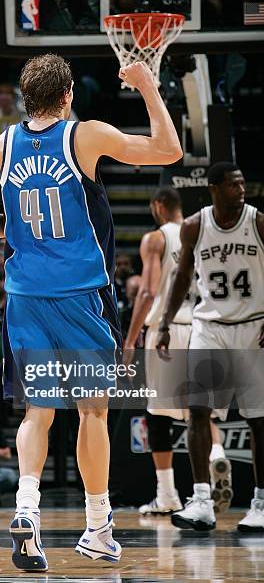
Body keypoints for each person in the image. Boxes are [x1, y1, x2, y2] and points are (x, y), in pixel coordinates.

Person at [0, 54, 182, 571]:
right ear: (68, 95)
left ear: (27, 97)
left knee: (36, 412)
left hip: (24, 295)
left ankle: (26, 510)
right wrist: (146, 86)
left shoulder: (1, 146)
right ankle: (96, 527)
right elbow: (169, 150)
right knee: (92, 410)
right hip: (80, 293)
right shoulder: (82, 135)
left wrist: (26, 233)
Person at [157, 162, 264, 532]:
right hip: (209, 327)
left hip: (254, 327)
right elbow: (183, 276)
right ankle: (201, 500)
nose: (241, 189)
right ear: (214, 188)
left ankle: (261, 503)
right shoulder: (195, 226)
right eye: (234, 184)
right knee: (198, 410)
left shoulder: (258, 222)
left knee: (258, 419)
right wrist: (166, 323)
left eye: (243, 183)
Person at [124, 186, 232, 516]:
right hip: (204, 327)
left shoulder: (156, 239)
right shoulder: (201, 234)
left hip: (166, 332)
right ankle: (216, 456)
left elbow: (148, 292)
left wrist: (130, 340)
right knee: (202, 412)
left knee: (157, 417)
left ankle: (167, 495)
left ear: (158, 206)